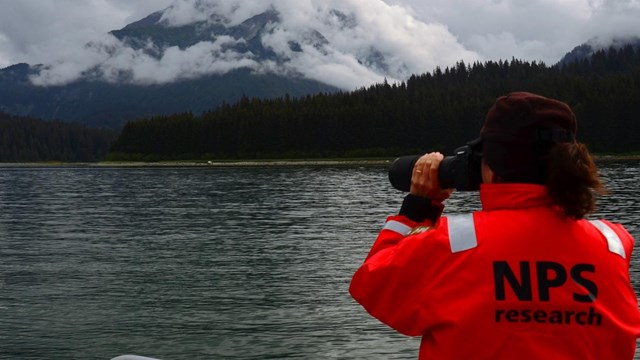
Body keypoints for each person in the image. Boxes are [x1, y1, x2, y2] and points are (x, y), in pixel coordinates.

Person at [349, 92, 640, 359]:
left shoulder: (452, 243)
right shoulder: (612, 244)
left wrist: (418, 207)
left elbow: (373, 286)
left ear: (491, 164)